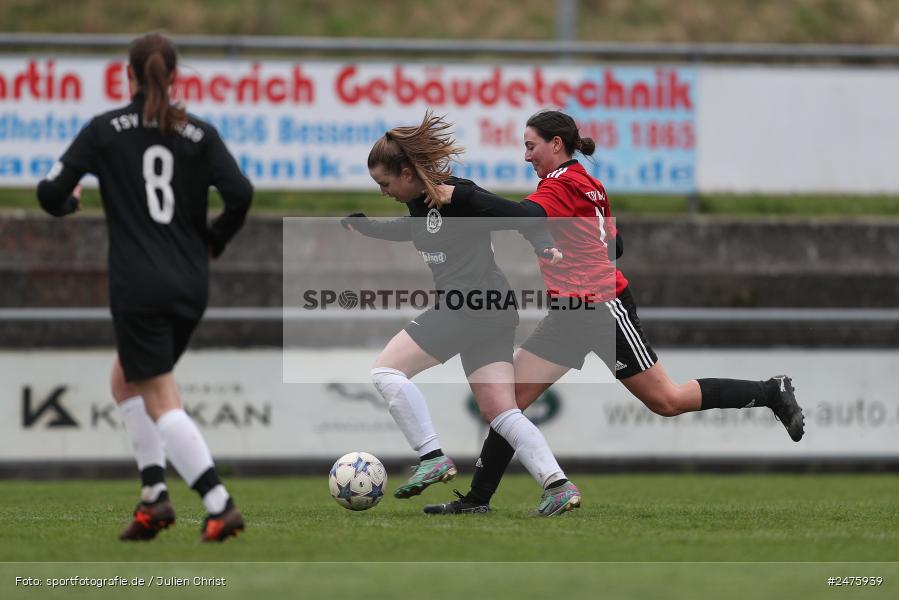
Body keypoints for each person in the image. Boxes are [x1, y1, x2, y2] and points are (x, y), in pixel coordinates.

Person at [422, 109, 805, 515]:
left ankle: (770, 391)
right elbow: (613, 246)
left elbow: (524, 216)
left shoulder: (561, 183)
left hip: (602, 308)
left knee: (667, 400)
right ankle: (477, 500)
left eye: (530, 146)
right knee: (507, 403)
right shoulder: (589, 184)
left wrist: (460, 195)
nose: (526, 156)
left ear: (556, 144)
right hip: (571, 312)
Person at [37, 33, 252, 541]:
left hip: (139, 284)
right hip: (190, 282)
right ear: (174, 76)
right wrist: (214, 240)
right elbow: (240, 194)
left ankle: (219, 503)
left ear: (127, 75)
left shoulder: (104, 130)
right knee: (126, 381)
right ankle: (154, 496)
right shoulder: (200, 133)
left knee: (158, 396)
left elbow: (49, 193)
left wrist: (68, 203)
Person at [341, 111, 581, 516]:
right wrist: (370, 228)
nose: (383, 191)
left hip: (468, 305)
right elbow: (417, 231)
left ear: (405, 172)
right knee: (501, 413)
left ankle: (431, 456)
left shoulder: (458, 193)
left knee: (385, 372)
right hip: (492, 309)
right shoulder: (421, 203)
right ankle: (557, 484)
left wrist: (542, 244)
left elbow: (518, 214)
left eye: (384, 183)